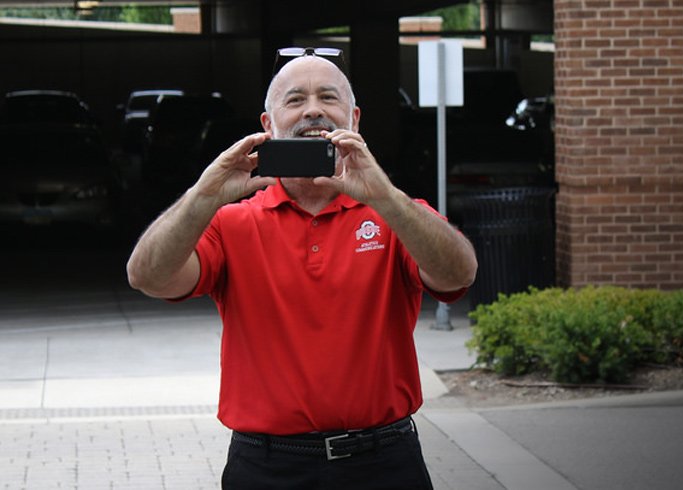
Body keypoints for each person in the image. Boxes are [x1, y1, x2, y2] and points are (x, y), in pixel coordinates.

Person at [126, 49, 478, 489]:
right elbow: (147, 277)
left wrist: (384, 196)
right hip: (267, 465)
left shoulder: (396, 214)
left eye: (328, 97)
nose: (313, 109)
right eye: (295, 100)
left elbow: (458, 273)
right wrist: (205, 195)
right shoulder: (231, 222)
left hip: (385, 461)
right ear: (268, 125)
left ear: (354, 118)